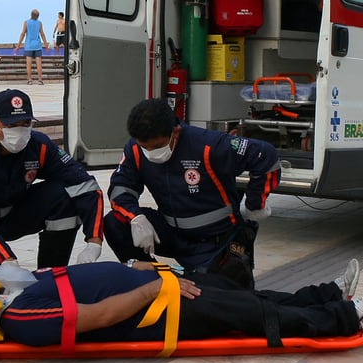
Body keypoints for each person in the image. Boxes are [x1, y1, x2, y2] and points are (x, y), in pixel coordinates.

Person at [0, 258, 363, 348]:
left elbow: (83, 280)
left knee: (245, 293)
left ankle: (328, 295)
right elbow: (98, 316)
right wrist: (151, 290)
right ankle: (347, 318)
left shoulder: (20, 289)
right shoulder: (20, 317)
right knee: (253, 315)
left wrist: (141, 269)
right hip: (155, 311)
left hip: (156, 286)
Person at [103, 99, 280, 288]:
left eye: (156, 147)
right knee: (115, 222)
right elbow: (121, 187)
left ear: (175, 132)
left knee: (223, 301)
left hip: (215, 240)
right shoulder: (136, 149)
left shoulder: (208, 145)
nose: (150, 153)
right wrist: (136, 217)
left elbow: (265, 155)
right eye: (144, 147)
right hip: (172, 234)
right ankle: (153, 281)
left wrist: (255, 205)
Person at [0, 88, 105, 274]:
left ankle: (50, 274)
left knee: (63, 196)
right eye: (12, 125)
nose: (20, 131)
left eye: (26, 123)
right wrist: (5, 258)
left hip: (9, 213)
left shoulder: (39, 145)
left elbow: (86, 185)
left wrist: (94, 241)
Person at [14, 9, 49, 85]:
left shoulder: (26, 22)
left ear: (31, 14)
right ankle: (40, 79)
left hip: (29, 45)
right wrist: (46, 44)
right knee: (39, 63)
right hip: (37, 45)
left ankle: (30, 80)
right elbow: (42, 34)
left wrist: (18, 46)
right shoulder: (39, 23)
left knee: (28, 64)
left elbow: (22, 34)